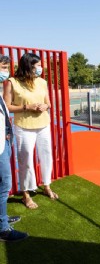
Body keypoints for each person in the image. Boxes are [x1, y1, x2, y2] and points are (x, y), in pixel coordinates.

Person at [4, 53, 58, 209]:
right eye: (38, 65)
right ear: (29, 66)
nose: (41, 68)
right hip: (23, 127)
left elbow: (48, 103)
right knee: (25, 159)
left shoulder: (42, 82)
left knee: (46, 156)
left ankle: (47, 185)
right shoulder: (12, 83)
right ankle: (26, 194)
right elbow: (7, 106)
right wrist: (27, 107)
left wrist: (44, 106)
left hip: (43, 124)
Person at [0, 54, 28, 241]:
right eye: (2, 67)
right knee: (5, 185)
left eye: (6, 67)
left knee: (2, 184)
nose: (6, 71)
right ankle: (3, 228)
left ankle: (1, 218)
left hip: (5, 140)